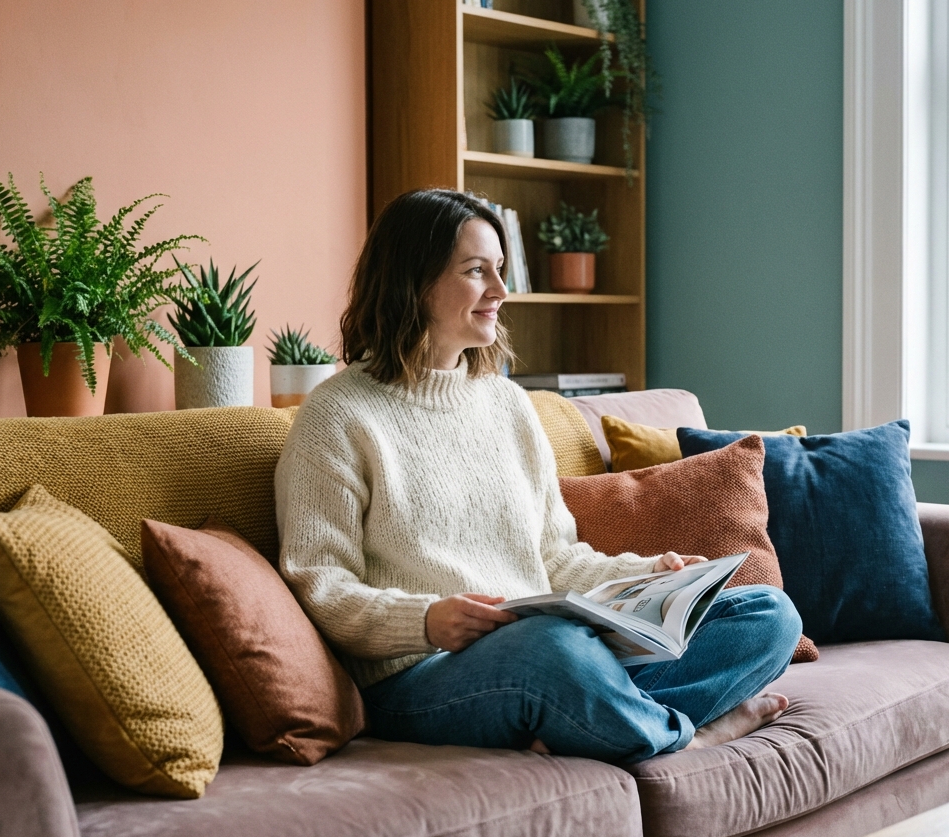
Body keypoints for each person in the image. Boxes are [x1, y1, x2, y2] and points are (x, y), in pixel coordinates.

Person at [275, 188, 801, 763]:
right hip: (419, 676)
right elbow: (320, 584)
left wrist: (648, 577)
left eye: (499, 269)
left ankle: (598, 717)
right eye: (477, 271)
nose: (501, 291)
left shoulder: (508, 405)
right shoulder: (336, 416)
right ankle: (688, 735)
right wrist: (425, 621)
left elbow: (555, 557)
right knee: (553, 648)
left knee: (767, 615)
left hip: (549, 650)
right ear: (413, 282)